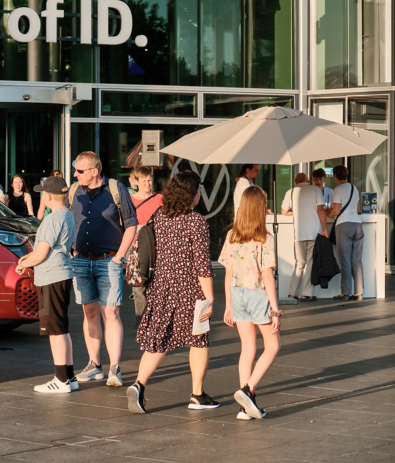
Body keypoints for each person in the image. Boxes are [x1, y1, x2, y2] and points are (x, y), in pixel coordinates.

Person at [126, 171, 217, 414]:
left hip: (161, 286)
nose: (199, 194)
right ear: (191, 194)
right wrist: (210, 297)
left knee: (158, 341)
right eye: (198, 190)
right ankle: (197, 394)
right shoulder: (196, 221)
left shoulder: (160, 216)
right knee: (198, 339)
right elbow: (202, 265)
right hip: (190, 290)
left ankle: (138, 385)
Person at [70, 151, 138, 387]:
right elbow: (70, 222)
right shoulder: (74, 192)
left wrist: (119, 257)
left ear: (94, 171)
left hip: (109, 260)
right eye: (75, 169)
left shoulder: (116, 190)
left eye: (79, 170)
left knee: (110, 313)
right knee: (89, 313)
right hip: (80, 260)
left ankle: (115, 368)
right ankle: (94, 365)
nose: (75, 174)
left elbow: (131, 225)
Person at [220, 186, 282, 420]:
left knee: (247, 349)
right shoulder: (265, 238)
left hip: (237, 295)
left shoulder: (231, 236)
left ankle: (245, 407)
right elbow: (267, 276)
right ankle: (248, 390)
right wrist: (275, 310)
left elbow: (227, 274)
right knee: (272, 346)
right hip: (257, 295)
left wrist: (228, 306)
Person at [16, 176, 77, 393]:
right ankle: (69, 377)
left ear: (48, 196)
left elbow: (41, 253)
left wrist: (23, 263)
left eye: (43, 192)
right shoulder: (67, 214)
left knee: (55, 331)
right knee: (62, 328)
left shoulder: (52, 219)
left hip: (51, 277)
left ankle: (61, 380)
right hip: (61, 275)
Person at [280, 173, 328, 301]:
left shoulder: (290, 192)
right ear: (308, 180)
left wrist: (297, 211)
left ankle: (292, 293)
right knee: (311, 263)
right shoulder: (316, 190)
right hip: (314, 233)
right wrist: (325, 228)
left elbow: (283, 212)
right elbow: (321, 210)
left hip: (298, 234)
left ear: (296, 181)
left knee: (299, 263)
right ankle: (306, 294)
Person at [128, 166, 163, 328]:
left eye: (150, 180)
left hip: (157, 246)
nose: (148, 184)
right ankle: (142, 322)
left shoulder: (160, 198)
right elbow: (126, 225)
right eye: (144, 181)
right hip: (136, 247)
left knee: (157, 285)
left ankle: (156, 321)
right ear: (137, 182)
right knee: (138, 286)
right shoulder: (130, 201)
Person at [327, 165, 363, 301]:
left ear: (335, 176)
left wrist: (325, 211)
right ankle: (359, 292)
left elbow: (336, 211)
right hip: (358, 225)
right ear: (346, 175)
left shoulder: (338, 189)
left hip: (344, 225)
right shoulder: (355, 188)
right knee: (357, 260)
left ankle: (345, 292)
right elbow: (357, 208)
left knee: (345, 260)